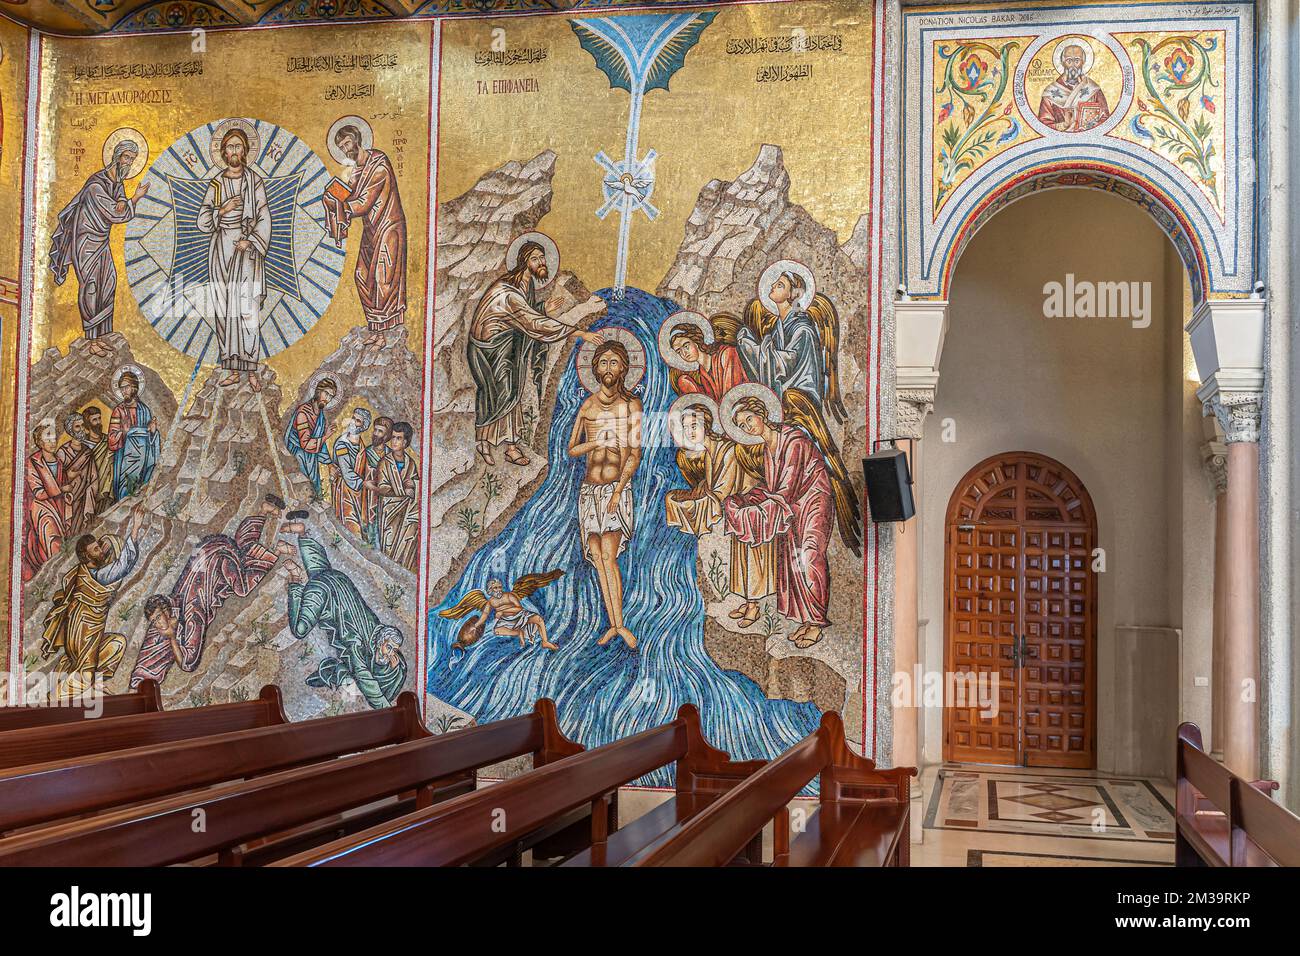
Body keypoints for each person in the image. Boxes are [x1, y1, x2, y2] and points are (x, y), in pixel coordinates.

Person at [129, 496, 289, 687]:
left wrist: (172, 637)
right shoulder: (167, 607)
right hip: (207, 552)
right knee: (239, 550)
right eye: (154, 621)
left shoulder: (192, 615)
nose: (157, 624)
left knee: (242, 587)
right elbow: (150, 649)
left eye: (157, 619)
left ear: (167, 611)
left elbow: (188, 663)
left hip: (217, 561)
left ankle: (277, 550)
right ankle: (263, 510)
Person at [467, 238, 596, 466]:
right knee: (501, 393)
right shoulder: (508, 290)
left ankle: (510, 446)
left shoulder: (525, 286)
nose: (541, 262)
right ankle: (485, 443)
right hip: (489, 348)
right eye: (535, 259)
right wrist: (578, 333)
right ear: (524, 262)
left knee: (508, 393)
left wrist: (542, 309)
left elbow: (523, 315)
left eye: (542, 258)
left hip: (504, 343)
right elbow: (533, 324)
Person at [723, 396, 834, 648]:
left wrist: (760, 507)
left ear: (762, 413)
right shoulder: (767, 448)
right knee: (791, 559)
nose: (747, 427)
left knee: (810, 555)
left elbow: (787, 486)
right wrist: (749, 497)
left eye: (749, 419)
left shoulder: (793, 440)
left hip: (814, 501)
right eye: (741, 425)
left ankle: (816, 623)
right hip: (792, 506)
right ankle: (806, 620)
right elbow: (773, 487)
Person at [567, 340, 642, 649]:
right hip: (589, 490)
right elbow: (572, 449)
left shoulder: (630, 407)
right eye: (603, 363)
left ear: (623, 368)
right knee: (598, 558)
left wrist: (619, 490)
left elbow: (634, 454)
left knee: (610, 557)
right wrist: (594, 445)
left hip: (614, 489)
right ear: (595, 368)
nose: (608, 368)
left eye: (614, 362)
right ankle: (612, 624)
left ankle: (620, 624)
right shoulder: (588, 406)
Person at [283, 528, 408, 709]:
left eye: (393, 649)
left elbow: (378, 663)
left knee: (320, 571)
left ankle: (303, 534)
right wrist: (386, 710)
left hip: (340, 580)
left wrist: (386, 664)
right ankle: (295, 578)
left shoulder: (375, 628)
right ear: (381, 641)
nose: (390, 653)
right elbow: (366, 679)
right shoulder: (356, 644)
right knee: (299, 630)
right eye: (389, 647)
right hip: (322, 593)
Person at [48, 139, 149, 356]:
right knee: (91, 285)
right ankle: (91, 339)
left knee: (109, 282)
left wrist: (123, 199)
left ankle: (102, 334)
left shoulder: (117, 182)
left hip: (101, 241)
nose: (129, 162)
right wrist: (136, 198)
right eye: (126, 157)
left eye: (132, 159)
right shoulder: (95, 185)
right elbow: (115, 212)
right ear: (116, 156)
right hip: (85, 241)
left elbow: (119, 199)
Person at [41, 504, 146, 700]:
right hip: (85, 629)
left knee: (117, 643)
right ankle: (54, 698)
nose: (101, 550)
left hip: (80, 626)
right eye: (97, 549)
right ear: (87, 557)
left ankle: (93, 681)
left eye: (99, 547)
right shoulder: (101, 575)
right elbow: (124, 565)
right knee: (84, 673)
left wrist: (103, 548)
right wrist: (136, 528)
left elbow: (105, 557)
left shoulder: (84, 570)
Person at [197, 127, 271, 390]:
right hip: (221, 250)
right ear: (223, 152)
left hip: (247, 249)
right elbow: (203, 221)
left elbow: (264, 216)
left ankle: (251, 369)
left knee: (247, 308)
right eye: (230, 147)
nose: (234, 152)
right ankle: (231, 367)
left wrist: (250, 241)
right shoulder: (216, 185)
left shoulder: (254, 182)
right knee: (224, 309)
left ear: (246, 151)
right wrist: (222, 210)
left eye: (239, 147)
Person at [330, 125, 408, 349]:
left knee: (382, 278)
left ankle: (382, 334)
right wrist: (333, 196)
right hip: (371, 230)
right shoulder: (357, 169)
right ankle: (374, 329)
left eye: (347, 143)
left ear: (356, 139)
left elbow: (362, 203)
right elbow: (348, 194)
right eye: (341, 147)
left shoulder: (379, 164)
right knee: (362, 276)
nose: (345, 150)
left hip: (388, 227)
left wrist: (341, 205)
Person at [22, 421, 69, 582]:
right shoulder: (32, 462)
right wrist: (62, 490)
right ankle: (51, 579)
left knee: (62, 541)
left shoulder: (59, 462)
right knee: (51, 540)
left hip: (58, 507)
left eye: (54, 438)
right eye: (48, 438)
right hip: (41, 509)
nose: (52, 441)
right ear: (39, 441)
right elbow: (39, 493)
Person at [106, 370, 160, 501]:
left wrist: (153, 431)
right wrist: (125, 432)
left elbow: (151, 437)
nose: (123, 391)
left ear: (134, 388)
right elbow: (111, 439)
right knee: (126, 492)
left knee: (140, 490)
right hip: (126, 459)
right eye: (121, 388)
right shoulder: (118, 411)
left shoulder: (144, 410)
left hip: (143, 459)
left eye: (126, 387)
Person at [374, 421, 419, 571]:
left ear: (405, 442)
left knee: (408, 539)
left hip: (406, 512)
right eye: (393, 437)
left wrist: (412, 486)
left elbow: (414, 483)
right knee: (389, 543)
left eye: (398, 438)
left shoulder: (410, 463)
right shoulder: (385, 463)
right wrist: (403, 492)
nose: (394, 441)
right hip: (389, 511)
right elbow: (382, 488)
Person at [285, 378, 337, 496]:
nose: (328, 399)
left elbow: (320, 445)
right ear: (318, 391)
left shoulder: (321, 417)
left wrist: (329, 465)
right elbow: (306, 444)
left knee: (314, 493)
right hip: (298, 459)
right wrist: (327, 435)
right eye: (326, 394)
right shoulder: (303, 413)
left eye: (331, 397)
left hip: (311, 460)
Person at [330, 407, 371, 536]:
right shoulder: (342, 444)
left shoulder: (361, 445)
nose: (353, 422)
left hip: (358, 492)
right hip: (345, 490)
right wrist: (364, 484)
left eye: (358, 421)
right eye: (353, 418)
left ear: (363, 426)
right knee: (350, 524)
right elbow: (347, 472)